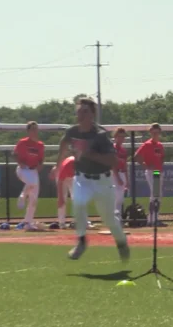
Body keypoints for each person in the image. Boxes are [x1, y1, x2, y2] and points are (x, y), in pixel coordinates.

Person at [56, 97, 129, 262]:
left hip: (103, 181)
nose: (80, 114)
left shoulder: (100, 135)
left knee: (109, 218)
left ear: (92, 115)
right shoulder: (72, 131)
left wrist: (89, 154)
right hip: (82, 178)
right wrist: (57, 166)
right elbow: (63, 145)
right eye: (78, 111)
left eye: (85, 111)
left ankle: (121, 242)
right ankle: (81, 241)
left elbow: (113, 161)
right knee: (78, 202)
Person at [13, 121, 44, 231]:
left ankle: (28, 222)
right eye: (32, 129)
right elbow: (15, 154)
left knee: (34, 198)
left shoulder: (40, 145)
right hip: (23, 169)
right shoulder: (23, 142)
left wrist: (40, 165)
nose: (35, 132)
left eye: (36, 129)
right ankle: (22, 196)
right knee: (32, 183)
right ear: (28, 131)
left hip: (33, 171)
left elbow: (40, 159)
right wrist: (19, 162)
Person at [135, 123, 166, 227]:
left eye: (157, 132)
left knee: (157, 195)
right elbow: (136, 156)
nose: (155, 134)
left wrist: (159, 165)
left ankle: (153, 218)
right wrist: (145, 165)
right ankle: (152, 219)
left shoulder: (160, 145)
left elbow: (162, 157)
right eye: (153, 132)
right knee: (155, 194)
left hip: (158, 171)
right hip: (151, 171)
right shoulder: (147, 144)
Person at [50, 156, 75, 229]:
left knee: (77, 198)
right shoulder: (68, 164)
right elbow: (60, 182)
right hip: (61, 176)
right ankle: (61, 223)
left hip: (72, 176)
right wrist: (60, 197)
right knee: (63, 198)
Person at [112, 127, 130, 218]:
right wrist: (117, 177)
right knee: (115, 197)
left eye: (123, 137)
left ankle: (117, 219)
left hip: (122, 173)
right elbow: (112, 164)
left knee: (120, 198)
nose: (121, 139)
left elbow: (125, 165)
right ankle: (113, 219)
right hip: (114, 174)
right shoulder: (112, 148)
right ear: (115, 137)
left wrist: (127, 180)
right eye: (119, 136)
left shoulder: (123, 150)